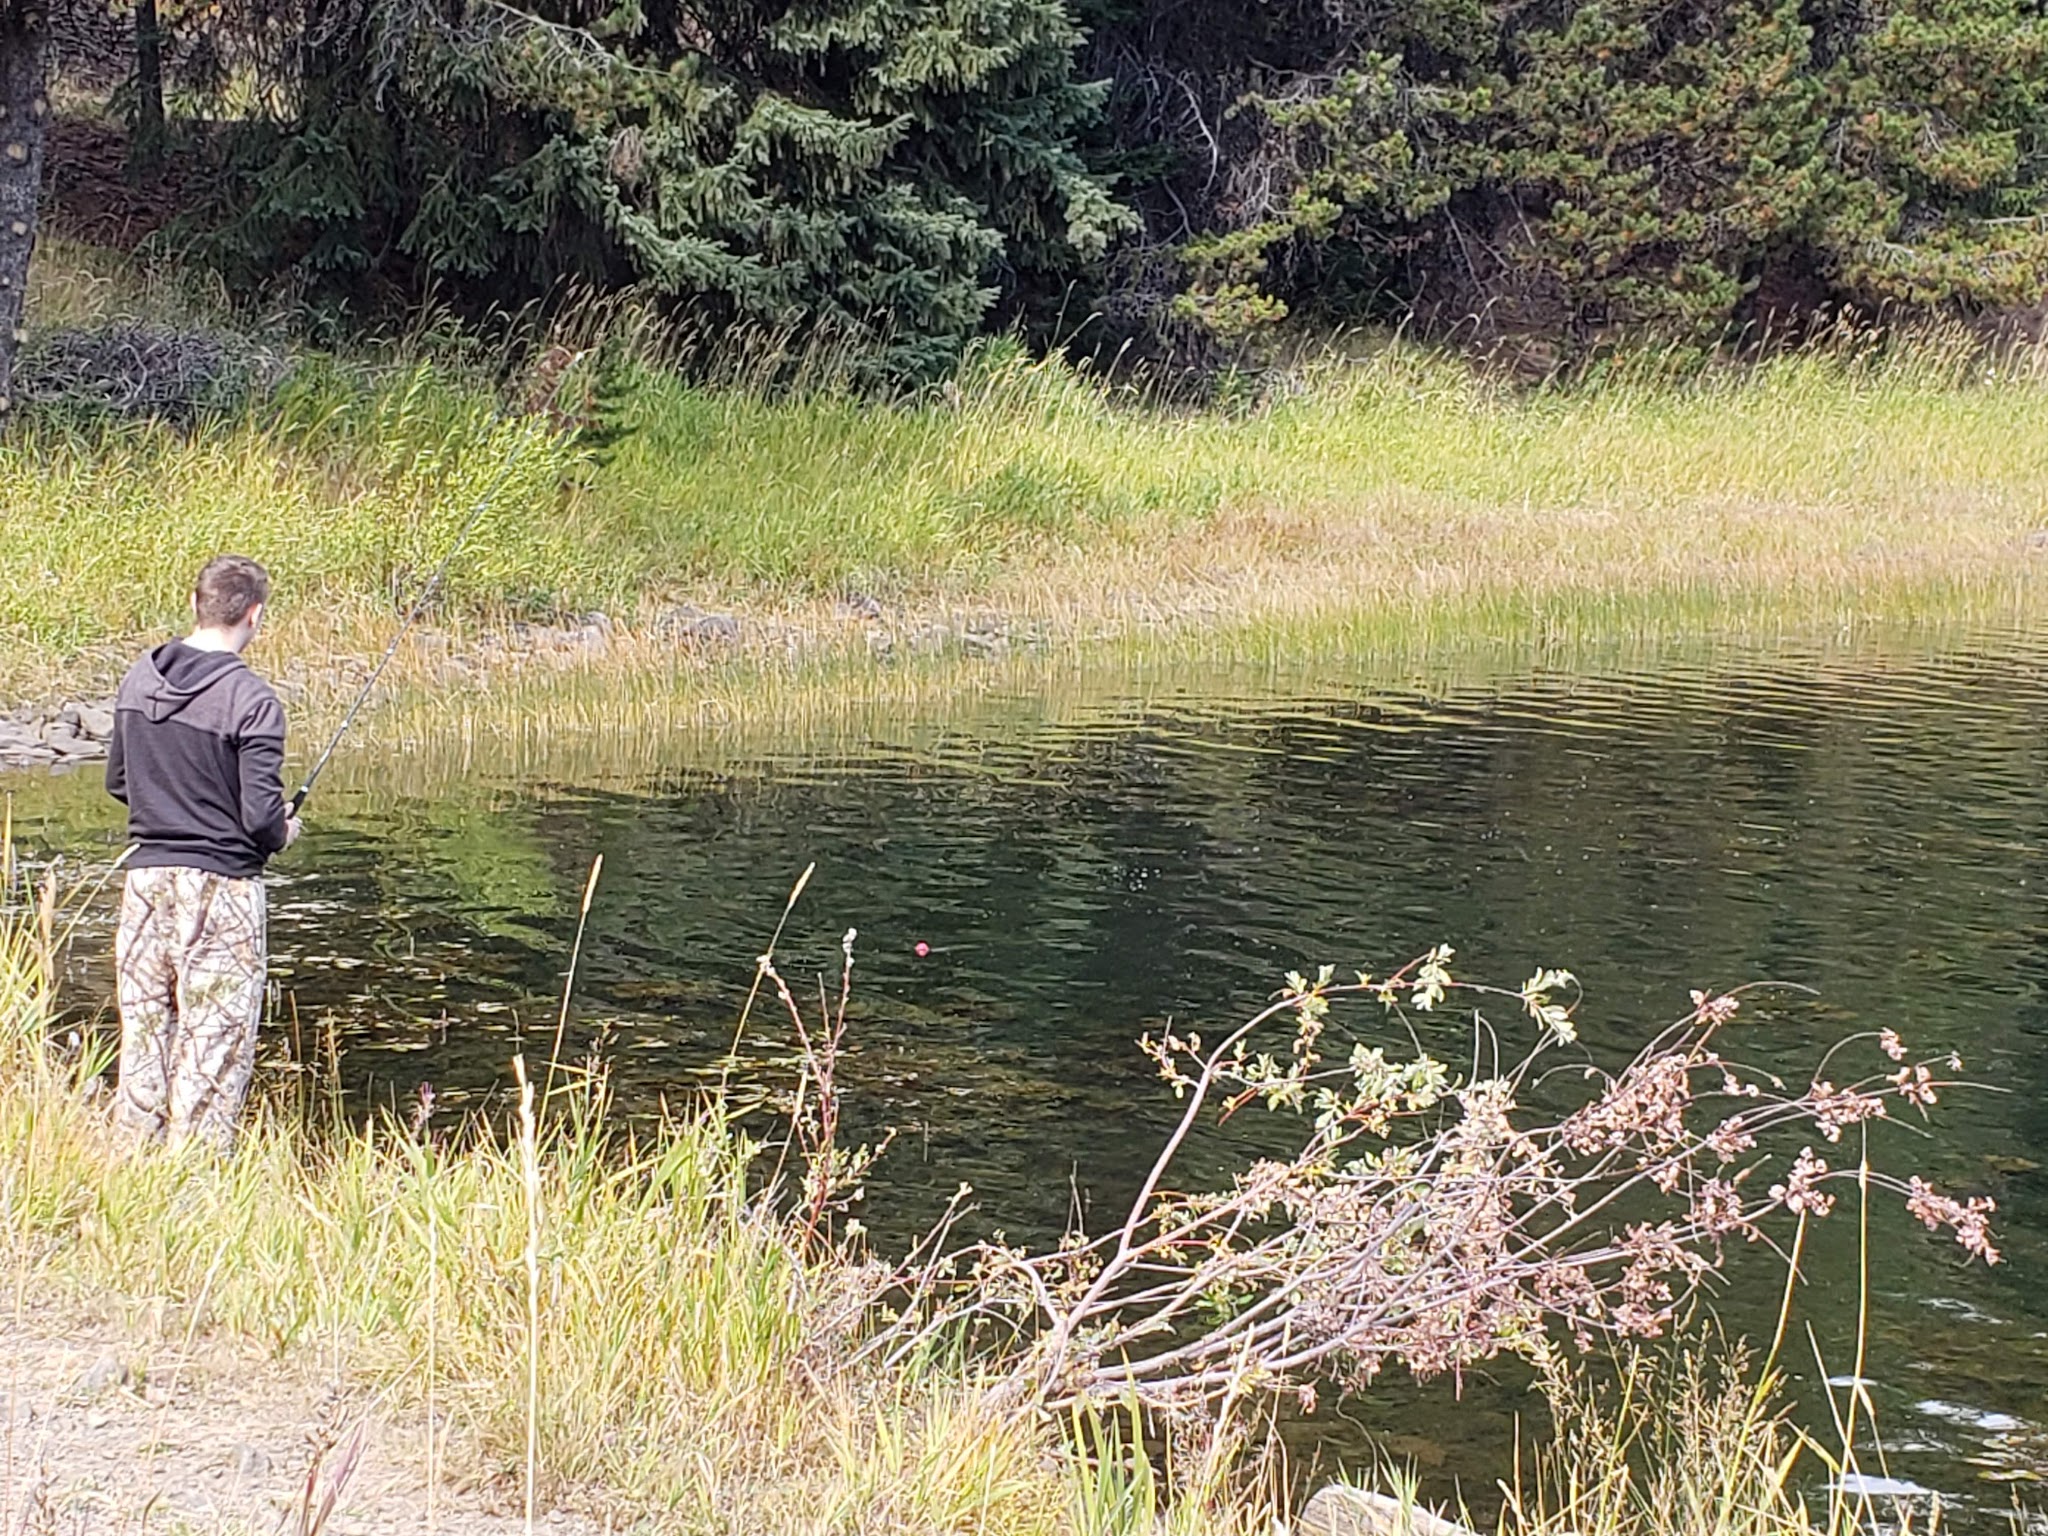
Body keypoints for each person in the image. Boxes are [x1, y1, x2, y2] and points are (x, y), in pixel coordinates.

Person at [104, 555, 302, 1151]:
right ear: (255, 615)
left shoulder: (140, 677)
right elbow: (263, 819)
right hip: (221, 891)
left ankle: (133, 1175)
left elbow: (119, 782)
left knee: (144, 1040)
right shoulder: (252, 700)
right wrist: (286, 832)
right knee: (212, 1052)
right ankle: (194, 1193)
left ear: (196, 604)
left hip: (144, 884)